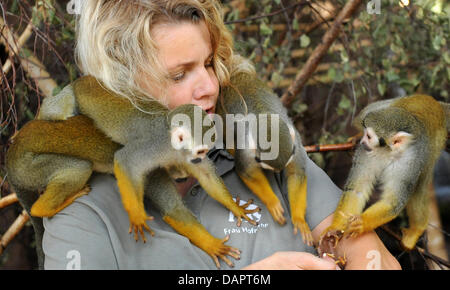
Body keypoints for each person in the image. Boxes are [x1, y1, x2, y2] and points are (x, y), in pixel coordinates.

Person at [42, 0, 401, 270]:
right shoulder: (85, 208)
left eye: (209, 63)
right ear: (121, 94)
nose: (210, 87)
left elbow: (368, 251)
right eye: (179, 75)